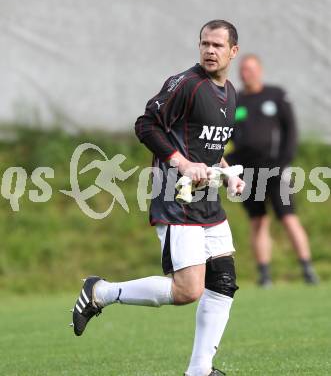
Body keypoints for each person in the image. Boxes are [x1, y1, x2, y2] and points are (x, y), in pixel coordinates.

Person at [71, 20, 245, 376]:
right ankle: (101, 291)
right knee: (187, 291)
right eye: (204, 44)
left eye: (216, 45)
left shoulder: (230, 93)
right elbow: (146, 124)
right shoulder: (186, 84)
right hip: (176, 198)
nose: (209, 51)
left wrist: (227, 173)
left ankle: (200, 370)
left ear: (233, 51)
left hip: (208, 200)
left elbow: (206, 145)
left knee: (223, 281)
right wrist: (179, 162)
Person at [226, 54, 318, 287]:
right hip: (247, 172)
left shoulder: (275, 95)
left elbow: (291, 130)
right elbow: (226, 135)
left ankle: (307, 269)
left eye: (251, 69)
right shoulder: (234, 100)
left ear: (260, 71)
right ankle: (264, 274)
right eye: (243, 69)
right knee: (258, 221)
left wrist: (284, 161)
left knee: (288, 217)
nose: (247, 73)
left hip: (275, 169)